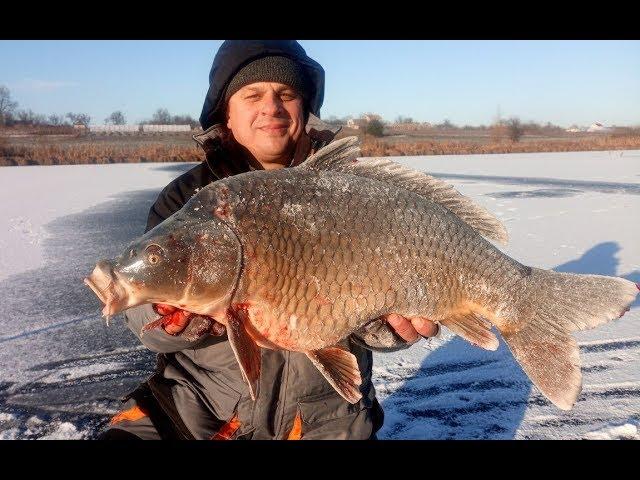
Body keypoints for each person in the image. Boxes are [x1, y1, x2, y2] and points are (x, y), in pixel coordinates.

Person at [98, 40, 438, 440]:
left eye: (287, 95)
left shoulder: (351, 194)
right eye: (253, 95)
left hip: (327, 419)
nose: (272, 108)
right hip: (201, 407)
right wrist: (171, 318)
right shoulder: (188, 199)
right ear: (227, 111)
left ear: (304, 109)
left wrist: (386, 328)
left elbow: (384, 307)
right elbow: (143, 318)